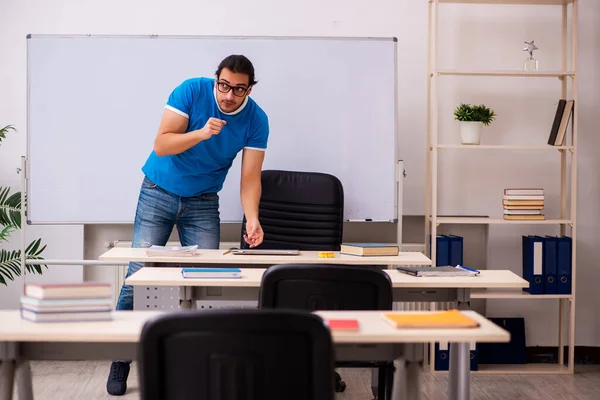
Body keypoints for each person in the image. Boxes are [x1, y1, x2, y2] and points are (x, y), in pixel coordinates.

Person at [106, 54, 269, 396]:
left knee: (207, 281)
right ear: (216, 80)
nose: (229, 95)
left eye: (239, 89)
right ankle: (121, 357)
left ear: (249, 89)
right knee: (140, 274)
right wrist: (201, 133)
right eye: (224, 85)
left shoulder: (257, 120)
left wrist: (252, 217)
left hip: (203, 200)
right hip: (158, 191)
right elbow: (161, 144)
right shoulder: (191, 91)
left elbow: (251, 177)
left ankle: (200, 360)